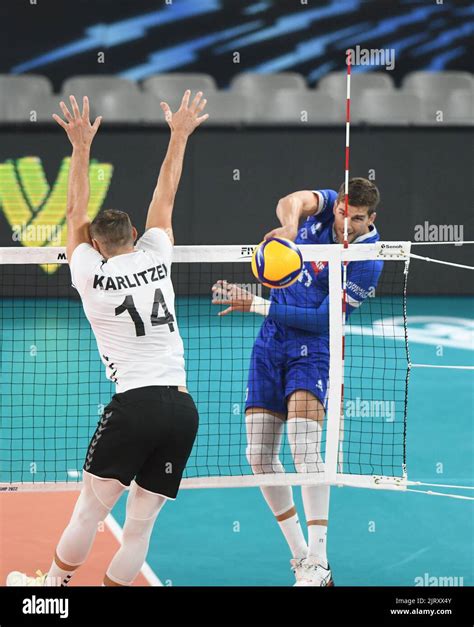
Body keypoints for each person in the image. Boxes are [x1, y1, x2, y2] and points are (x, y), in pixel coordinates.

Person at [7, 89, 208, 587]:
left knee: (87, 514)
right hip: (182, 409)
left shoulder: (90, 275)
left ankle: (51, 591)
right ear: (136, 232)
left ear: (96, 245)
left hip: (133, 407)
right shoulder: (157, 254)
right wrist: (179, 134)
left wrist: (80, 147)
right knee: (140, 527)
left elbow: (74, 214)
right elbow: (167, 192)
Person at [212, 179, 383, 586]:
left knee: (304, 451)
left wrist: (254, 303)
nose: (346, 223)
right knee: (258, 455)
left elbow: (325, 319)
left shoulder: (367, 258)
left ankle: (320, 559)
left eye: (357, 218)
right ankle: (301, 557)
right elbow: (289, 200)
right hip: (270, 343)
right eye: (344, 213)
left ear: (371, 218)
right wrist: (290, 228)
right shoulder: (324, 208)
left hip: (314, 349)